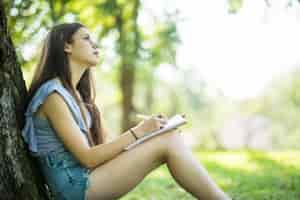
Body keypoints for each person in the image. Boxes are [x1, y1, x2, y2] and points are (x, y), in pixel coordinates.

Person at [21, 22, 231, 200]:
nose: (95, 45)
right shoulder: (53, 96)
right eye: (86, 39)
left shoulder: (78, 97)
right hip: (74, 188)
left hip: (87, 177)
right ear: (66, 46)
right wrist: (138, 132)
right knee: (169, 141)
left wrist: (151, 132)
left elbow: (107, 146)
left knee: (169, 136)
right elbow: (88, 158)